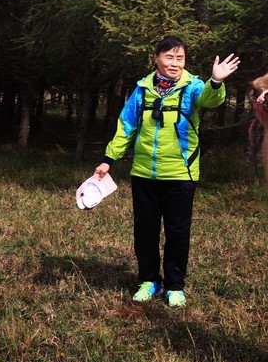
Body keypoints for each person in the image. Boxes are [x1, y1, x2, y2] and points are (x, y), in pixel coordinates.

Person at [94, 36, 239, 307]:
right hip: (144, 174)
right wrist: (108, 160)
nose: (175, 63)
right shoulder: (142, 90)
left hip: (180, 176)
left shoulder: (193, 87)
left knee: (177, 232)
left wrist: (216, 81)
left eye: (180, 58)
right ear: (156, 59)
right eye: (169, 57)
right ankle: (149, 281)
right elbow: (126, 127)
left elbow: (210, 99)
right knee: (145, 230)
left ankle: (174, 286)